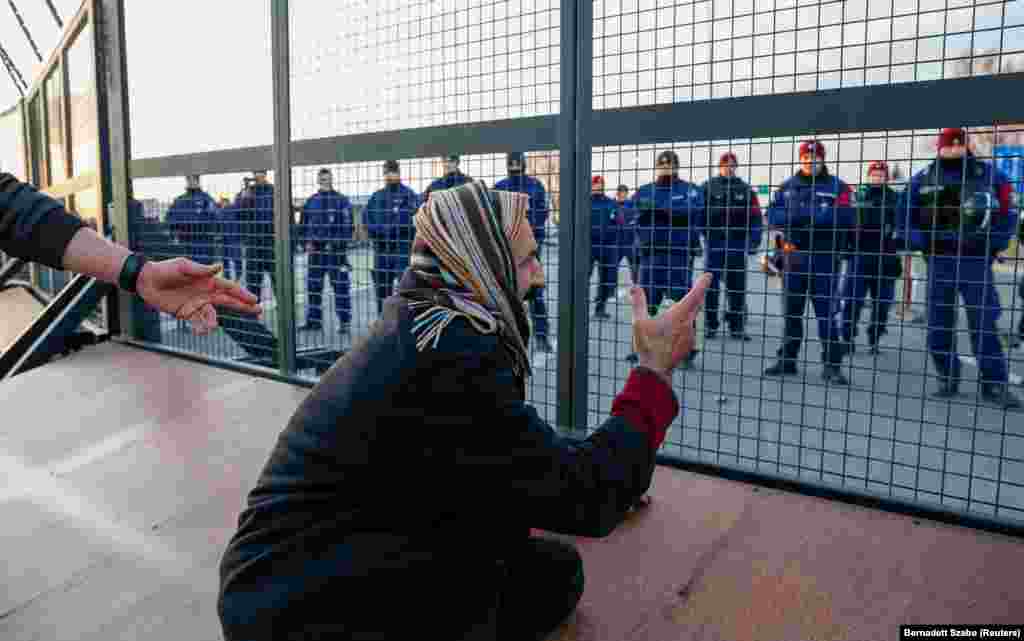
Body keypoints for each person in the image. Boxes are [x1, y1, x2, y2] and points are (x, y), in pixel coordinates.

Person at [216, 179, 712, 640]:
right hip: (291, 606)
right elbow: (587, 497)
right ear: (481, 261)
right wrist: (653, 370)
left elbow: (493, 457)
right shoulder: (448, 351)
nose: (539, 275)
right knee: (547, 576)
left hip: (287, 574)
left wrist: (576, 472)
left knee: (526, 555)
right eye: (525, 260)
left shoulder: (423, 314)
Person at [0, 172, 260, 334]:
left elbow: (15, 211)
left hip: (205, 249)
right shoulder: (196, 202)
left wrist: (140, 273)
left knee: (204, 289)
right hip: (195, 246)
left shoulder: (208, 202)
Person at [896, 127, 1021, 408]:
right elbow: (903, 217)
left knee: (984, 323)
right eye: (947, 146)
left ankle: (994, 384)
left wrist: (994, 244)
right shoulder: (923, 179)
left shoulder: (990, 176)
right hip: (939, 261)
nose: (953, 150)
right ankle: (947, 376)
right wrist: (920, 241)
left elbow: (1009, 213)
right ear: (940, 148)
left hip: (976, 261)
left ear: (967, 147)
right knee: (938, 323)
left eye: (958, 145)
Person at [763, 140, 854, 384]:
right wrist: (811, 217)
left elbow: (845, 216)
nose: (810, 162)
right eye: (805, 157)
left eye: (814, 158)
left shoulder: (839, 187)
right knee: (791, 313)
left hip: (825, 258)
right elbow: (772, 215)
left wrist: (801, 218)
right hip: (793, 258)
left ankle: (832, 365)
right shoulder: (786, 187)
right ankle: (787, 360)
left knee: (827, 315)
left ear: (822, 159)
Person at [625, 150, 705, 366]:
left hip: (678, 257)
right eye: (662, 165)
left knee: (683, 305)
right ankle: (639, 347)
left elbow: (692, 211)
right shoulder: (644, 191)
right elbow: (628, 213)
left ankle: (687, 350)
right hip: (651, 257)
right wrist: (662, 214)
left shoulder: (690, 190)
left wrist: (657, 211)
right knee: (645, 305)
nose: (666, 169)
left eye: (671, 165)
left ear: (677, 167)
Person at [841, 161, 902, 355]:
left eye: (881, 175)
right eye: (874, 175)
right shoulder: (858, 195)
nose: (877, 178)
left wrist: (898, 246)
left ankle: (874, 339)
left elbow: (902, 226)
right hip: (859, 256)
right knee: (852, 301)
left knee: (883, 303)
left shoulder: (895, 198)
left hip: (886, 258)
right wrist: (846, 247)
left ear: (887, 178)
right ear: (868, 176)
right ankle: (847, 338)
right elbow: (846, 223)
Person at [700, 152, 763, 341]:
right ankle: (711, 325)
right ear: (719, 166)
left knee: (737, 286)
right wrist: (704, 234)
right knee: (710, 286)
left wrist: (753, 240)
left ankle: (736, 326)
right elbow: (698, 214)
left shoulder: (745, 189)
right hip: (715, 242)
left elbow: (756, 217)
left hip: (737, 242)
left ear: (736, 167)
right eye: (725, 164)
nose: (729, 167)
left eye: (732, 164)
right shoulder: (708, 187)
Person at [495, 151, 553, 353]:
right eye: (512, 164)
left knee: (535, 291)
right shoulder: (501, 186)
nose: (514, 167)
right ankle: (506, 335)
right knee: (506, 291)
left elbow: (542, 212)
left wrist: (523, 230)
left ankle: (541, 335)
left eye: (516, 164)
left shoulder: (535, 186)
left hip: (529, 247)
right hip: (507, 248)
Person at [296, 168, 354, 335]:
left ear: (331, 179)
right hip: (316, 252)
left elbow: (348, 227)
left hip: (335, 253)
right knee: (313, 287)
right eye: (321, 179)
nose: (324, 181)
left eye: (327, 178)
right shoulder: (311, 201)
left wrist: (338, 244)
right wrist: (305, 242)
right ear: (318, 180)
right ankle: (314, 321)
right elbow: (303, 226)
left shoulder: (341, 201)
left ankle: (344, 322)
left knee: (341, 287)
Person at [364, 160, 420, 315]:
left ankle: (406, 326)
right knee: (382, 293)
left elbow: (409, 221)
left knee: (406, 292)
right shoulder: (376, 196)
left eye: (393, 171)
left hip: (401, 250)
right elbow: (367, 219)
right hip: (381, 251)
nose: (389, 175)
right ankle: (383, 326)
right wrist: (379, 231)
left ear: (399, 173)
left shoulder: (409, 195)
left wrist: (386, 230)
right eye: (387, 172)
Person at [234, 170, 277, 302]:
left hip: (272, 242)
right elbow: (238, 215)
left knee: (279, 281)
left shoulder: (274, 190)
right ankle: (253, 319)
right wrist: (244, 198)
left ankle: (284, 314)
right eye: (256, 173)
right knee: (253, 284)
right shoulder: (247, 192)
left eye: (261, 172)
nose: (258, 176)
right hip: (253, 243)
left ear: (265, 174)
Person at [165, 174, 219, 264]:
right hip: (186, 244)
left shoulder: (206, 199)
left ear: (197, 180)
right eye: (188, 179)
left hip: (204, 243)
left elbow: (216, 218)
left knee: (203, 270)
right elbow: (170, 219)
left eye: (192, 178)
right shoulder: (180, 200)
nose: (190, 181)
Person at [590, 175, 620, 320]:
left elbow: (618, 221)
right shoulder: (585, 202)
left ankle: (600, 308)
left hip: (607, 245)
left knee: (606, 279)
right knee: (582, 278)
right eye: (595, 184)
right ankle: (578, 308)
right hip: (588, 245)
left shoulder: (610, 203)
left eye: (600, 184)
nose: (597, 186)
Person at [614, 183, 639, 284]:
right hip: (617, 242)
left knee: (635, 269)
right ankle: (608, 293)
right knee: (611, 269)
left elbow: (637, 219)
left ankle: (637, 289)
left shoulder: (632, 205)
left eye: (624, 192)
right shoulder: (612, 205)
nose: (622, 194)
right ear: (618, 193)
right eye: (621, 192)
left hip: (630, 242)